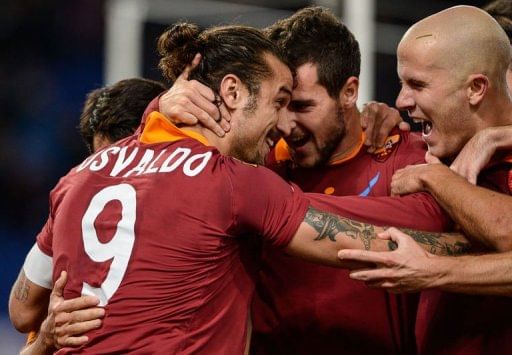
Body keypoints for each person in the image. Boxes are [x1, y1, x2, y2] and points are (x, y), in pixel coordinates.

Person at [11, 22, 469, 354]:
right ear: (232, 92)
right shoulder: (232, 182)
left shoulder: (79, 176)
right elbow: (362, 240)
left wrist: (48, 336)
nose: (283, 123)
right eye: (279, 102)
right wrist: (465, 243)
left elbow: (22, 309)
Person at [152, 7, 456, 354]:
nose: (285, 124)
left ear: (349, 91)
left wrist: (271, 204)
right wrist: (158, 108)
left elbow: (442, 228)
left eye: (301, 106)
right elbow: (146, 182)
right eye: (278, 103)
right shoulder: (253, 160)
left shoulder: (407, 158)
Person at [337, 6, 512, 355]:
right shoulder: (430, 150)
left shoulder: (436, 169)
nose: (401, 100)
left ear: (477, 88)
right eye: (403, 83)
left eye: (417, 84)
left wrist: (433, 270)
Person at [10, 78, 167, 355]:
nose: (112, 173)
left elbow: (22, 312)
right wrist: (45, 339)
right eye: (101, 160)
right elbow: (21, 313)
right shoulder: (75, 198)